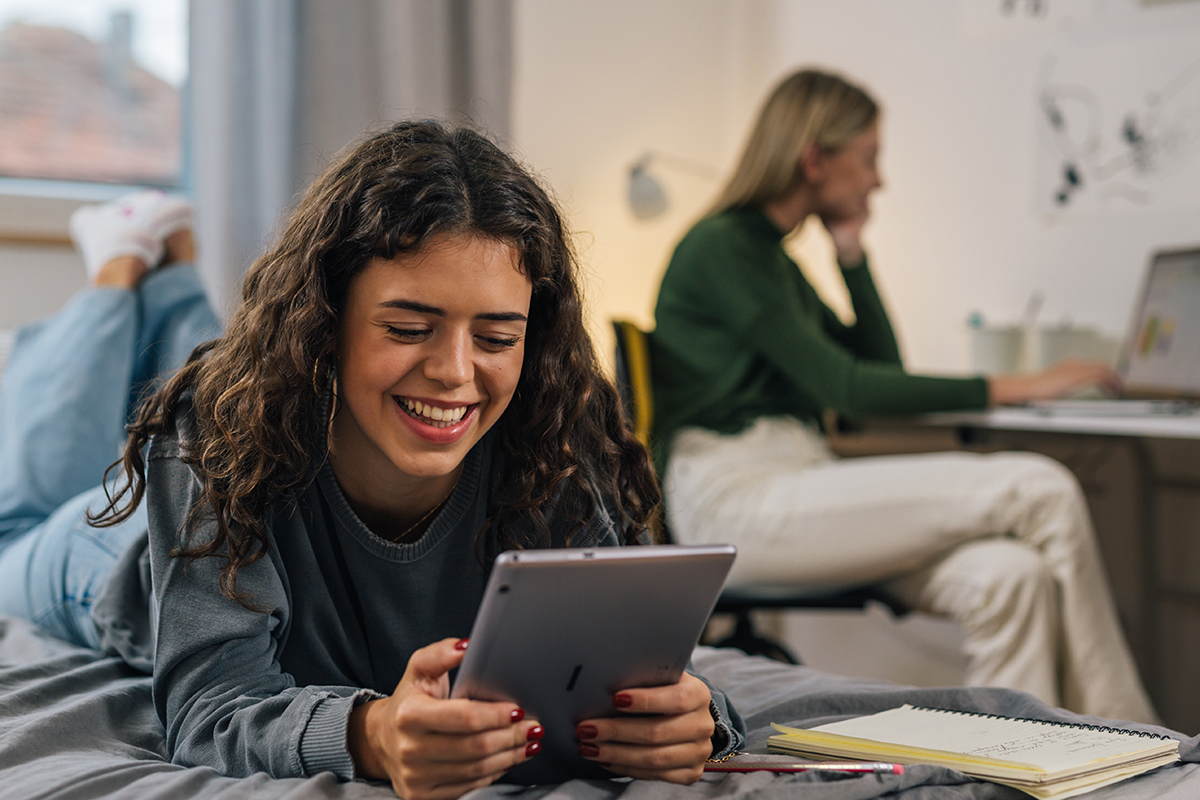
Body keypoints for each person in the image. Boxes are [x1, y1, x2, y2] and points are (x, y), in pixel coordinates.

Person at [0, 120, 744, 800]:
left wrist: (699, 719)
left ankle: (171, 275)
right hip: (114, 560)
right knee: (17, 523)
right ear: (325, 320)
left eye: (496, 338)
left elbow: (648, 672)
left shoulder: (554, 438)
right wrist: (373, 733)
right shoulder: (217, 432)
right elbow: (214, 707)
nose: (455, 372)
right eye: (409, 327)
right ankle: (119, 267)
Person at [651, 67, 1158, 724]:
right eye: (869, 158)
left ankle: (1021, 761)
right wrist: (1024, 385)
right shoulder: (723, 248)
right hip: (737, 500)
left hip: (795, 480)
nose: (878, 180)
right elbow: (850, 388)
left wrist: (851, 254)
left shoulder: (773, 260)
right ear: (814, 159)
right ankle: (1128, 733)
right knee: (1042, 487)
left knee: (1011, 576)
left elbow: (876, 367)